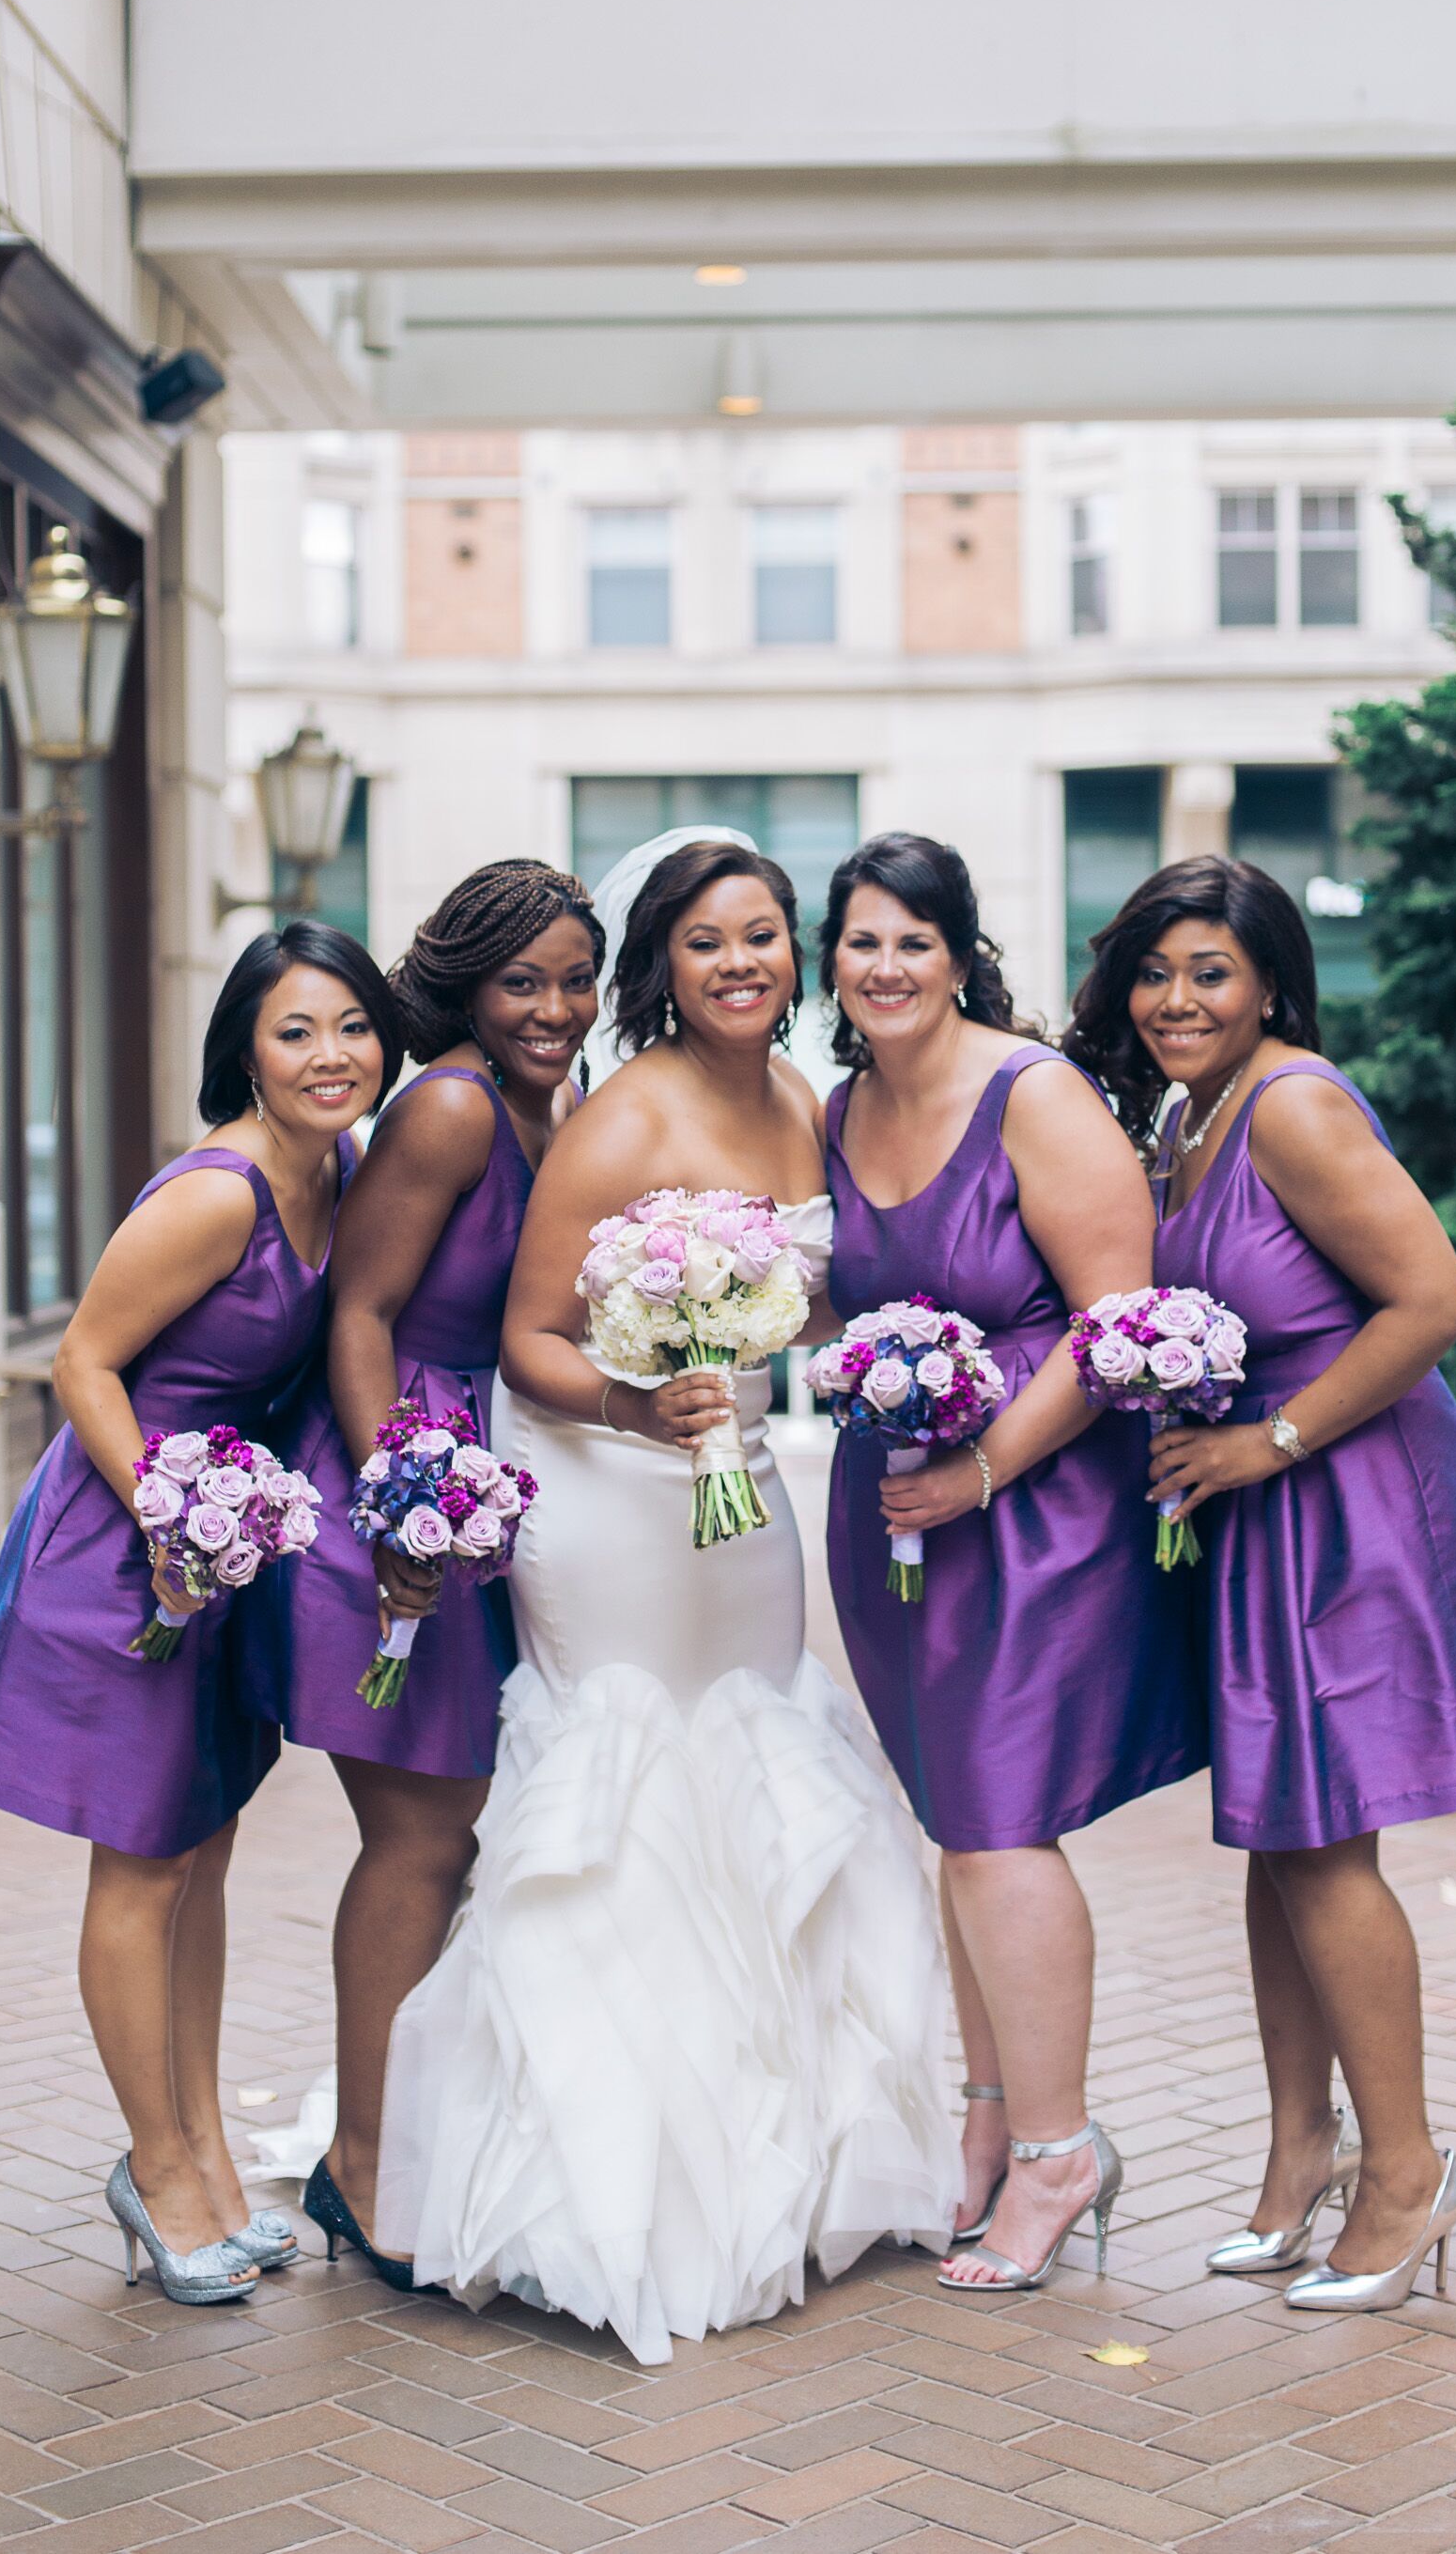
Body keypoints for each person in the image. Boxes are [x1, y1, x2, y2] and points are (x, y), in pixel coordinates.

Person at [373, 830, 958, 2365]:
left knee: (757, 1735)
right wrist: (644, 1411)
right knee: (628, 1770)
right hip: (607, 1486)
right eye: (707, 941)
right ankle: (593, 2175)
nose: (742, 962)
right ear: (666, 964)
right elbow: (529, 1343)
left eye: (764, 934)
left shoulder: (808, 1107)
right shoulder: (621, 1118)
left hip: (742, 1486)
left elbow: (825, 1298)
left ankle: (792, 2142)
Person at [1064, 853, 1456, 2312]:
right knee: (1280, 1835)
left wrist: (1269, 1437)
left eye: (1210, 970)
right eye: (1155, 970)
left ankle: (1409, 2172)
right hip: (1262, 1507)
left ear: (1270, 979)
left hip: (1353, 1501)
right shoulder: (1188, 1116)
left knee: (1329, 1844)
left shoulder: (1299, 1102)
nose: (1175, 999)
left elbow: (1436, 1299)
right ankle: (1299, 2155)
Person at [0, 923, 397, 2305]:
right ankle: (156, 2167)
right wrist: (167, 1518)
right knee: (140, 1866)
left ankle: (202, 2154)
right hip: (129, 1547)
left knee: (201, 1846)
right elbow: (84, 1359)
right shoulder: (219, 1193)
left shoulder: (345, 1172)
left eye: (353, 1027)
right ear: (246, 1051)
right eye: (296, 1031)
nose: (331, 1056)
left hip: (227, 1542)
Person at [820, 833, 1205, 2297]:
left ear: (960, 952)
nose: (887, 966)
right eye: (861, 941)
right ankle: (986, 2125)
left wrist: (982, 1467)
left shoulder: (1032, 1094)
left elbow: (1120, 1323)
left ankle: (1059, 2148)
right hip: (901, 1510)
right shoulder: (841, 1107)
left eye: (915, 939)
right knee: (956, 1822)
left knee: (996, 1822)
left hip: (1036, 1503)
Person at [242, 864, 601, 2287]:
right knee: (419, 1837)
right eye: (524, 981)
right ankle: (364, 2167)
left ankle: (400, 2137)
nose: (556, 1008)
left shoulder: (547, 1103)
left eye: (576, 978)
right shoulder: (450, 1103)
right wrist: (401, 1500)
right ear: (464, 982)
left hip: (476, 1497)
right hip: (392, 1501)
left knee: (451, 1836)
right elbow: (363, 1313)